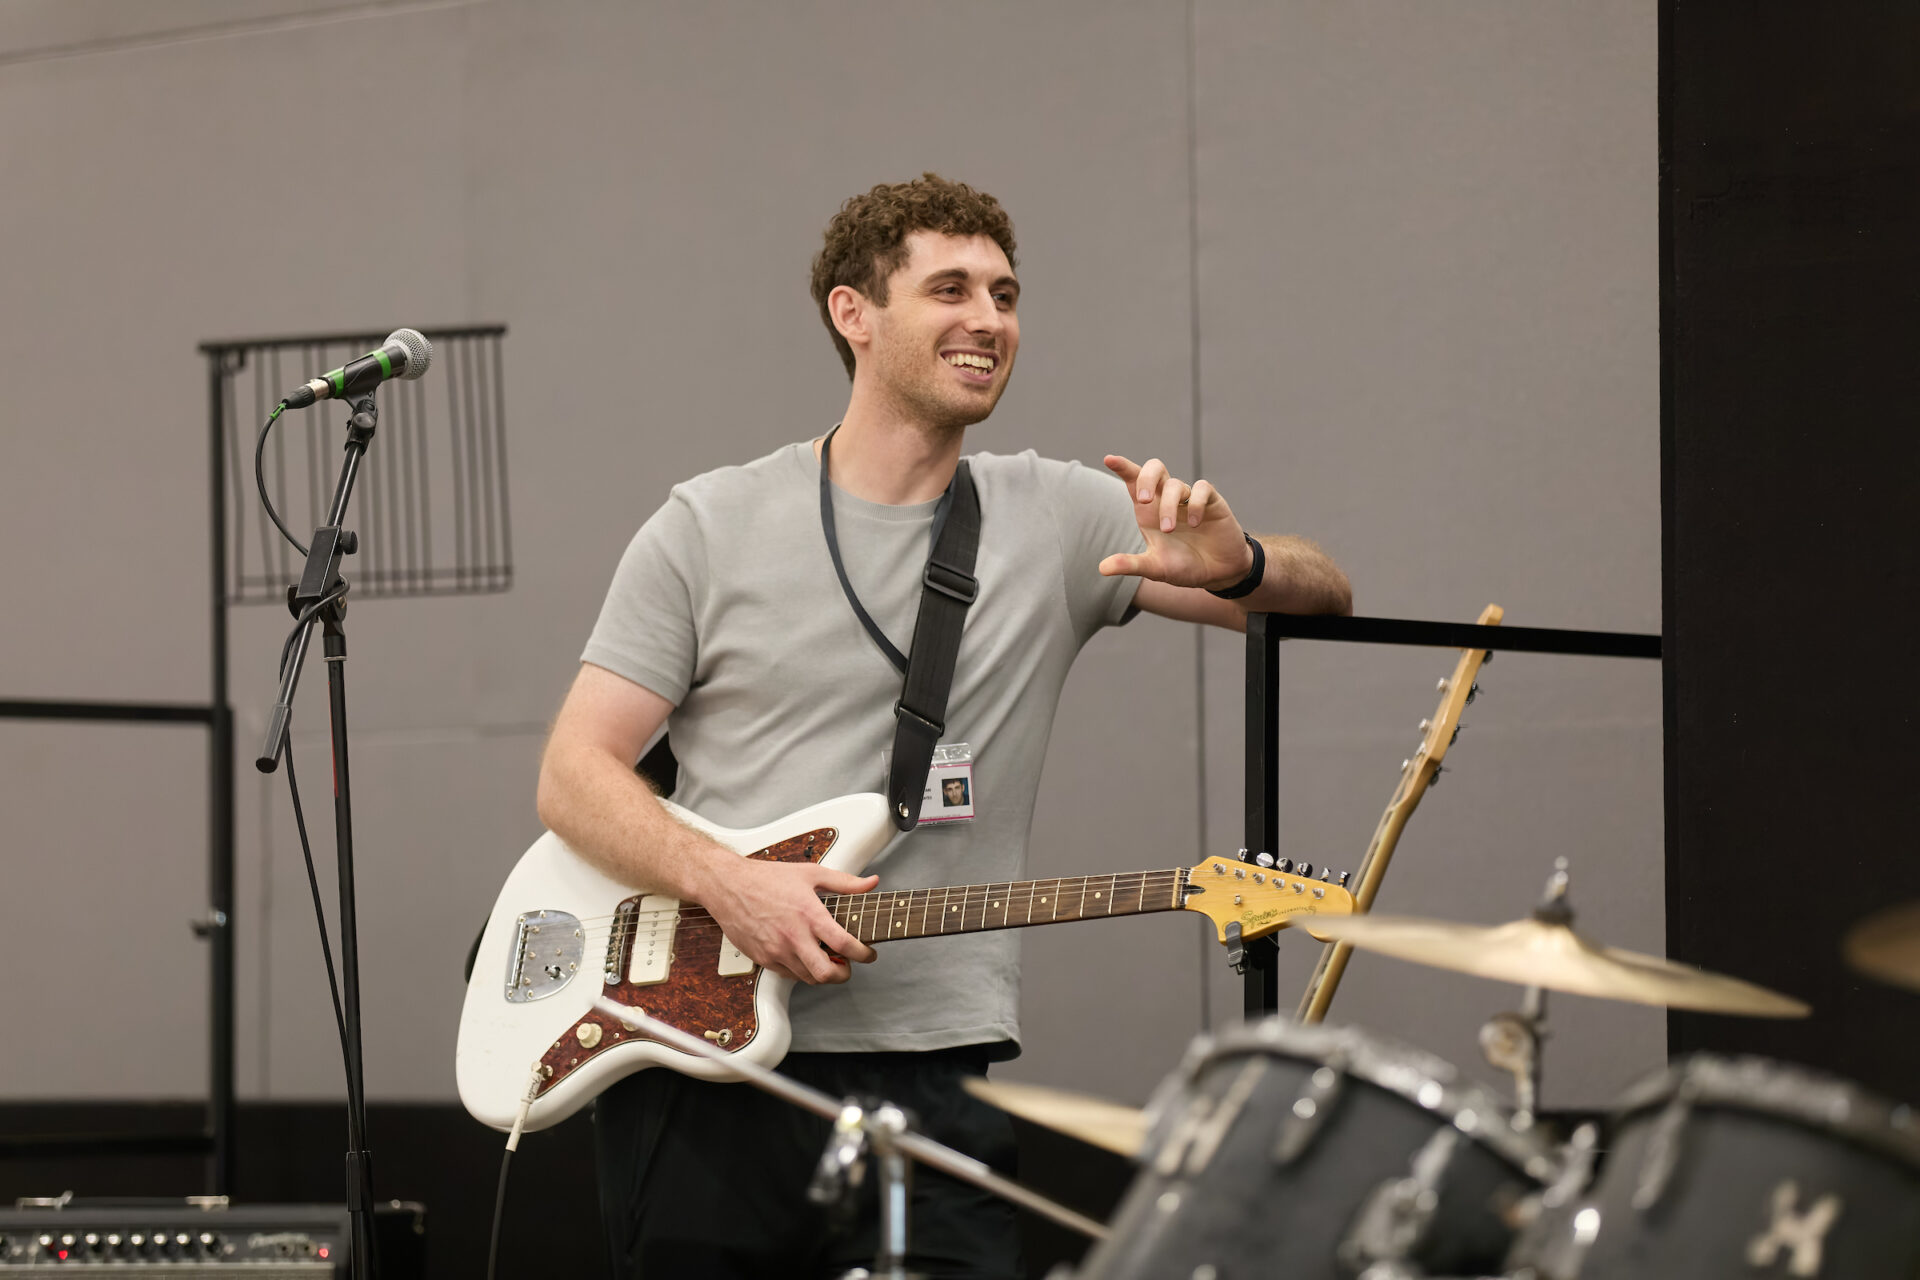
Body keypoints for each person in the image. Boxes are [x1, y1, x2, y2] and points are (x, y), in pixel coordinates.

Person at [536, 174, 1351, 1279]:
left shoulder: (1061, 514)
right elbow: (574, 775)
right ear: (853, 313)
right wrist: (730, 881)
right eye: (951, 287)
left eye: (1007, 294)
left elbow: (1327, 596)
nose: (990, 319)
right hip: (701, 1070)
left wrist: (1243, 560)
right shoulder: (708, 524)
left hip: (936, 1078)